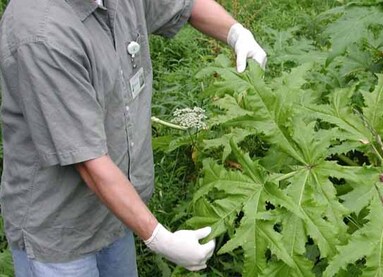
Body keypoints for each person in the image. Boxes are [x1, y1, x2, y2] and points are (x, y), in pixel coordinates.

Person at [0, 0, 267, 275]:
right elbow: (89, 162)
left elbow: (185, 4)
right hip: (60, 232)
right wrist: (160, 239)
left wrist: (236, 33)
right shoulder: (40, 33)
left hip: (116, 213)